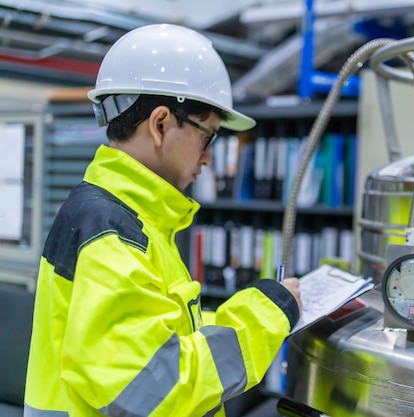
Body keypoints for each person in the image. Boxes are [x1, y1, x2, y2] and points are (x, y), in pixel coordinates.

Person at [24, 23, 302, 417]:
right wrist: (265, 316)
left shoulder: (134, 220)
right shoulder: (111, 231)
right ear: (159, 124)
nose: (208, 159)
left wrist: (247, 307)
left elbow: (162, 332)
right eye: (209, 137)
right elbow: (153, 388)